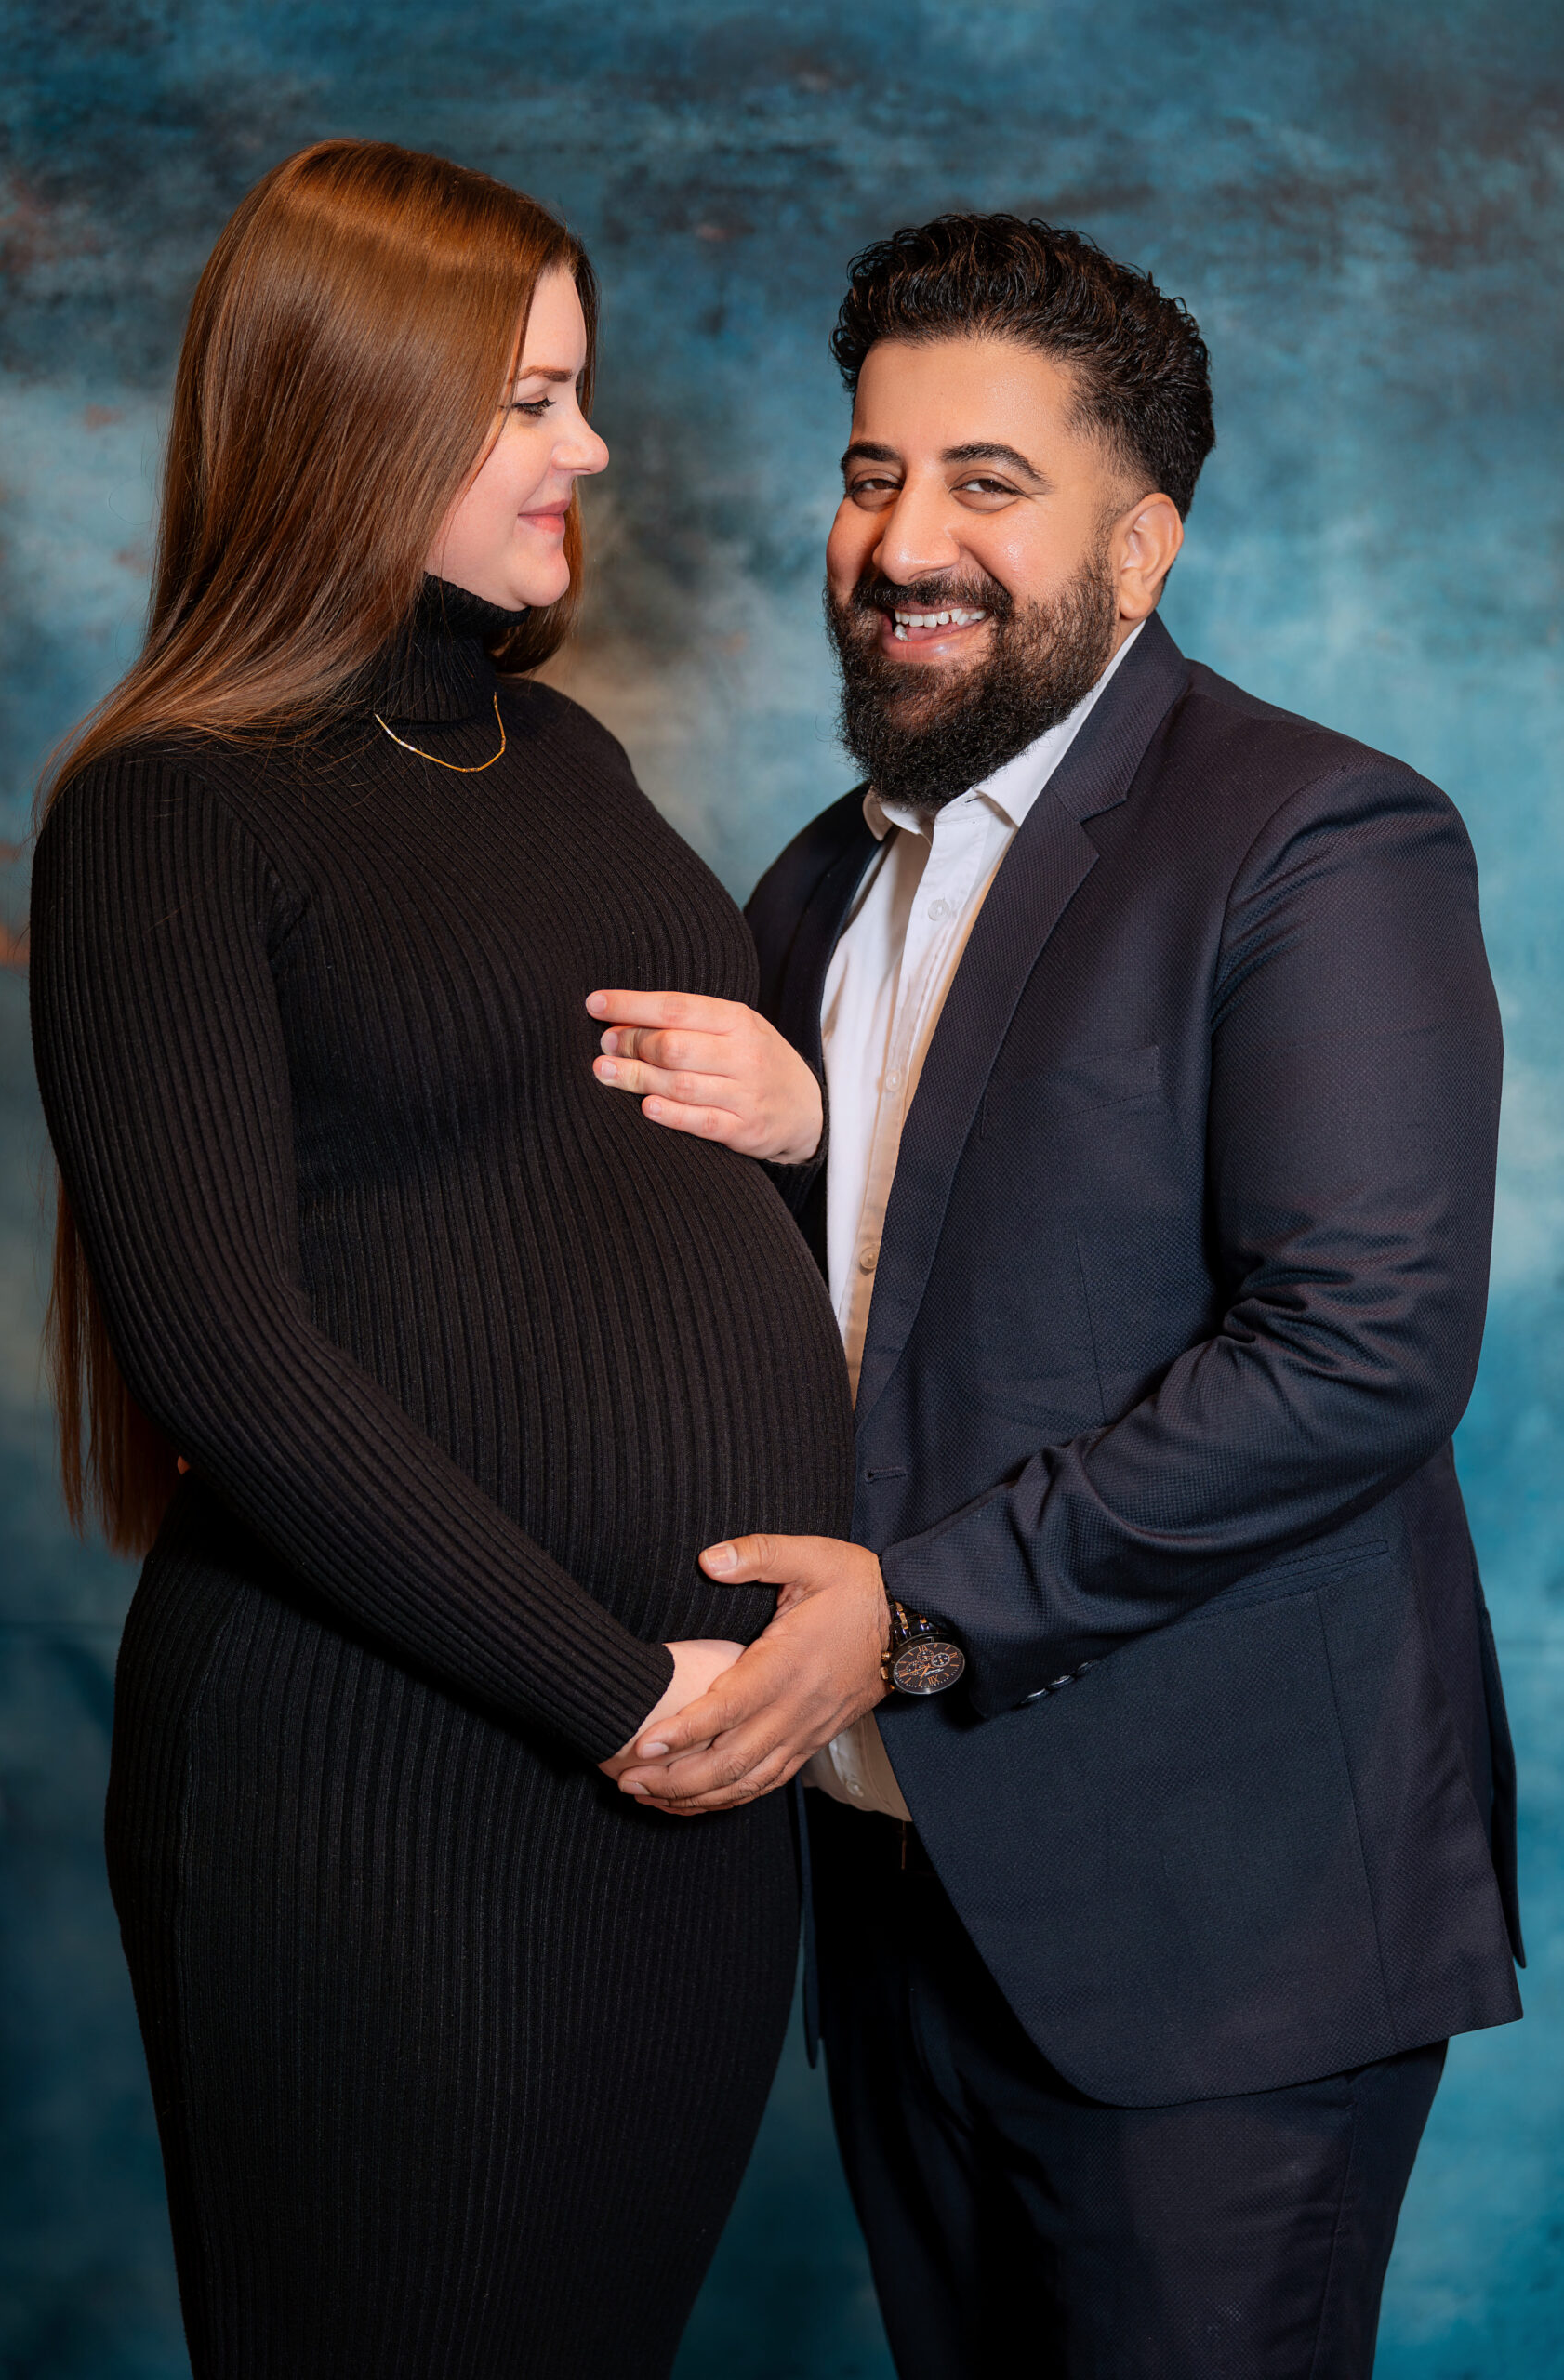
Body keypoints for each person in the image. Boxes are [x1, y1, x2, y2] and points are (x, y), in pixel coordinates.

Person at [593, 214, 1523, 2377]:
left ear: (1139, 543)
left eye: (984, 482)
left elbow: (1356, 1351)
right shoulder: (820, 881)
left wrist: (908, 1610)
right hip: (894, 1908)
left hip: (1216, 1934)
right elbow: (900, 1275)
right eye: (871, 473)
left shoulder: (1319, 835)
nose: (902, 540)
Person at [28, 139, 855, 2380]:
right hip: (396, 1780)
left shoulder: (559, 748)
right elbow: (223, 1352)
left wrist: (798, 1113)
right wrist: (615, 1690)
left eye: (579, 390)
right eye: (529, 401)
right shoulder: (174, 808)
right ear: (353, 411)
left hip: (684, 1790)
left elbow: (636, 1189)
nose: (592, 450)